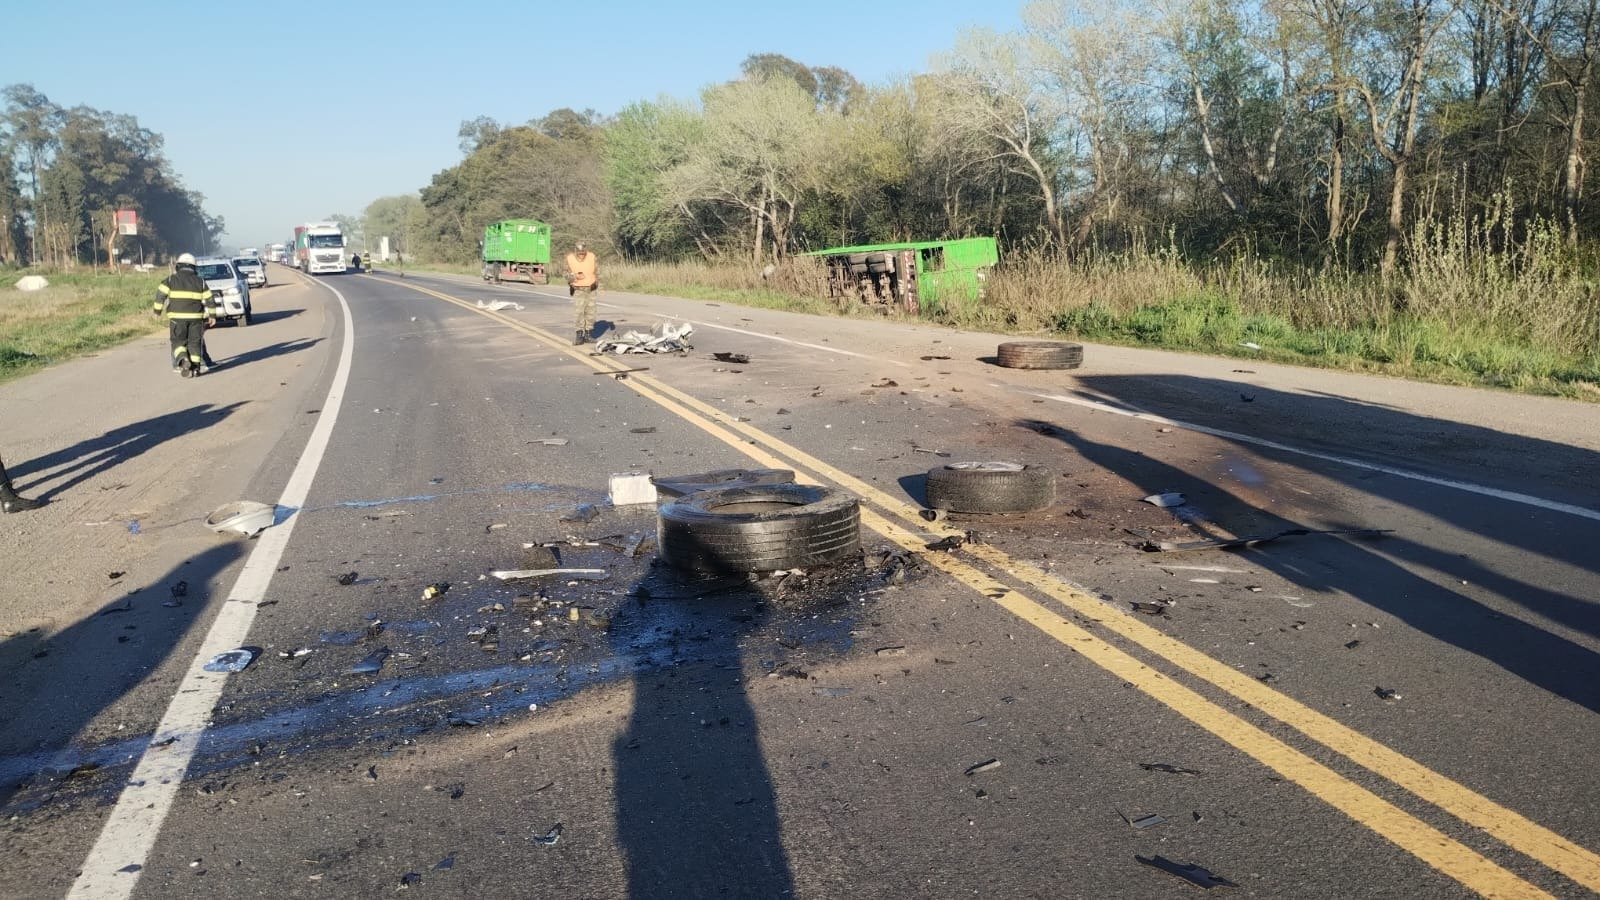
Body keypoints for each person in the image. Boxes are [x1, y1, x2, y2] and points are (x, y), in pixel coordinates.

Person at [153, 253, 217, 377]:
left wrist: (157, 311)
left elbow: (160, 294)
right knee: (194, 343)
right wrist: (212, 316)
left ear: (178, 266)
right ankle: (196, 369)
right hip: (196, 319)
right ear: (194, 267)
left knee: (178, 343)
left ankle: (183, 360)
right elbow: (210, 299)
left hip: (177, 319)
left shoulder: (171, 280)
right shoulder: (201, 282)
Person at [565, 242, 599, 345]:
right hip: (578, 289)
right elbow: (565, 273)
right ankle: (579, 335)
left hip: (591, 288)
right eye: (579, 253)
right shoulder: (569, 258)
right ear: (575, 251)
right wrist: (574, 277)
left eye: (583, 253)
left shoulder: (592, 256)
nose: (581, 255)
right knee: (579, 312)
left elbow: (597, 271)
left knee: (591, 312)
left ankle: (588, 334)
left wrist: (598, 283)